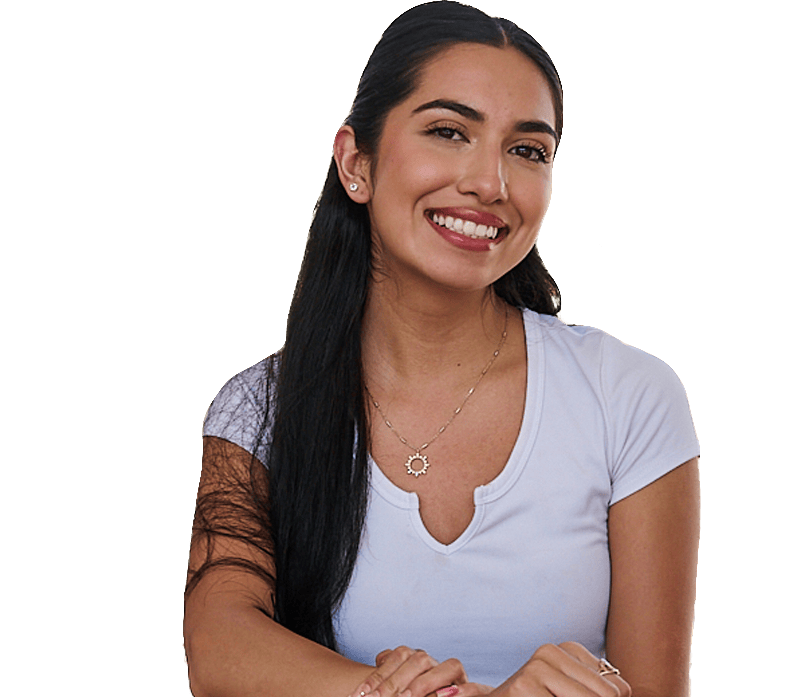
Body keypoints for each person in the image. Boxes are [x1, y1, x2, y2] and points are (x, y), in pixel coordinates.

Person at [183, 2, 700, 696]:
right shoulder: (259, 408)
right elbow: (218, 644)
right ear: (356, 163)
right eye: (449, 132)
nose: (490, 183)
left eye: (528, 150)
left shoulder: (627, 395)